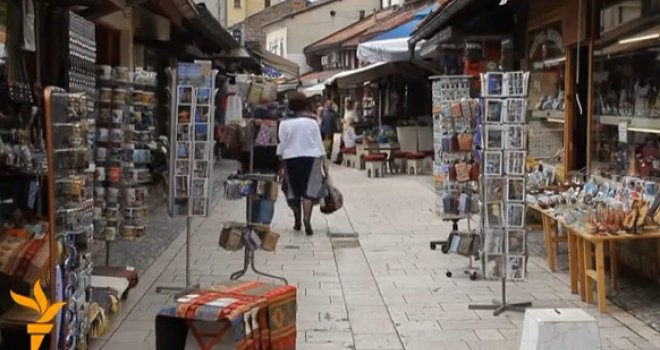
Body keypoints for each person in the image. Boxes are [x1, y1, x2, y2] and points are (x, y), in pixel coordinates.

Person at [277, 93, 327, 235]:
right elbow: (318, 142)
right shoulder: (312, 122)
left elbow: (282, 143)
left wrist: (280, 161)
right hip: (312, 157)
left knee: (293, 190)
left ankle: (297, 219)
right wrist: (324, 162)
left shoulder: (284, 123)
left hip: (291, 158)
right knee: (309, 191)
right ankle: (307, 218)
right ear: (305, 105)